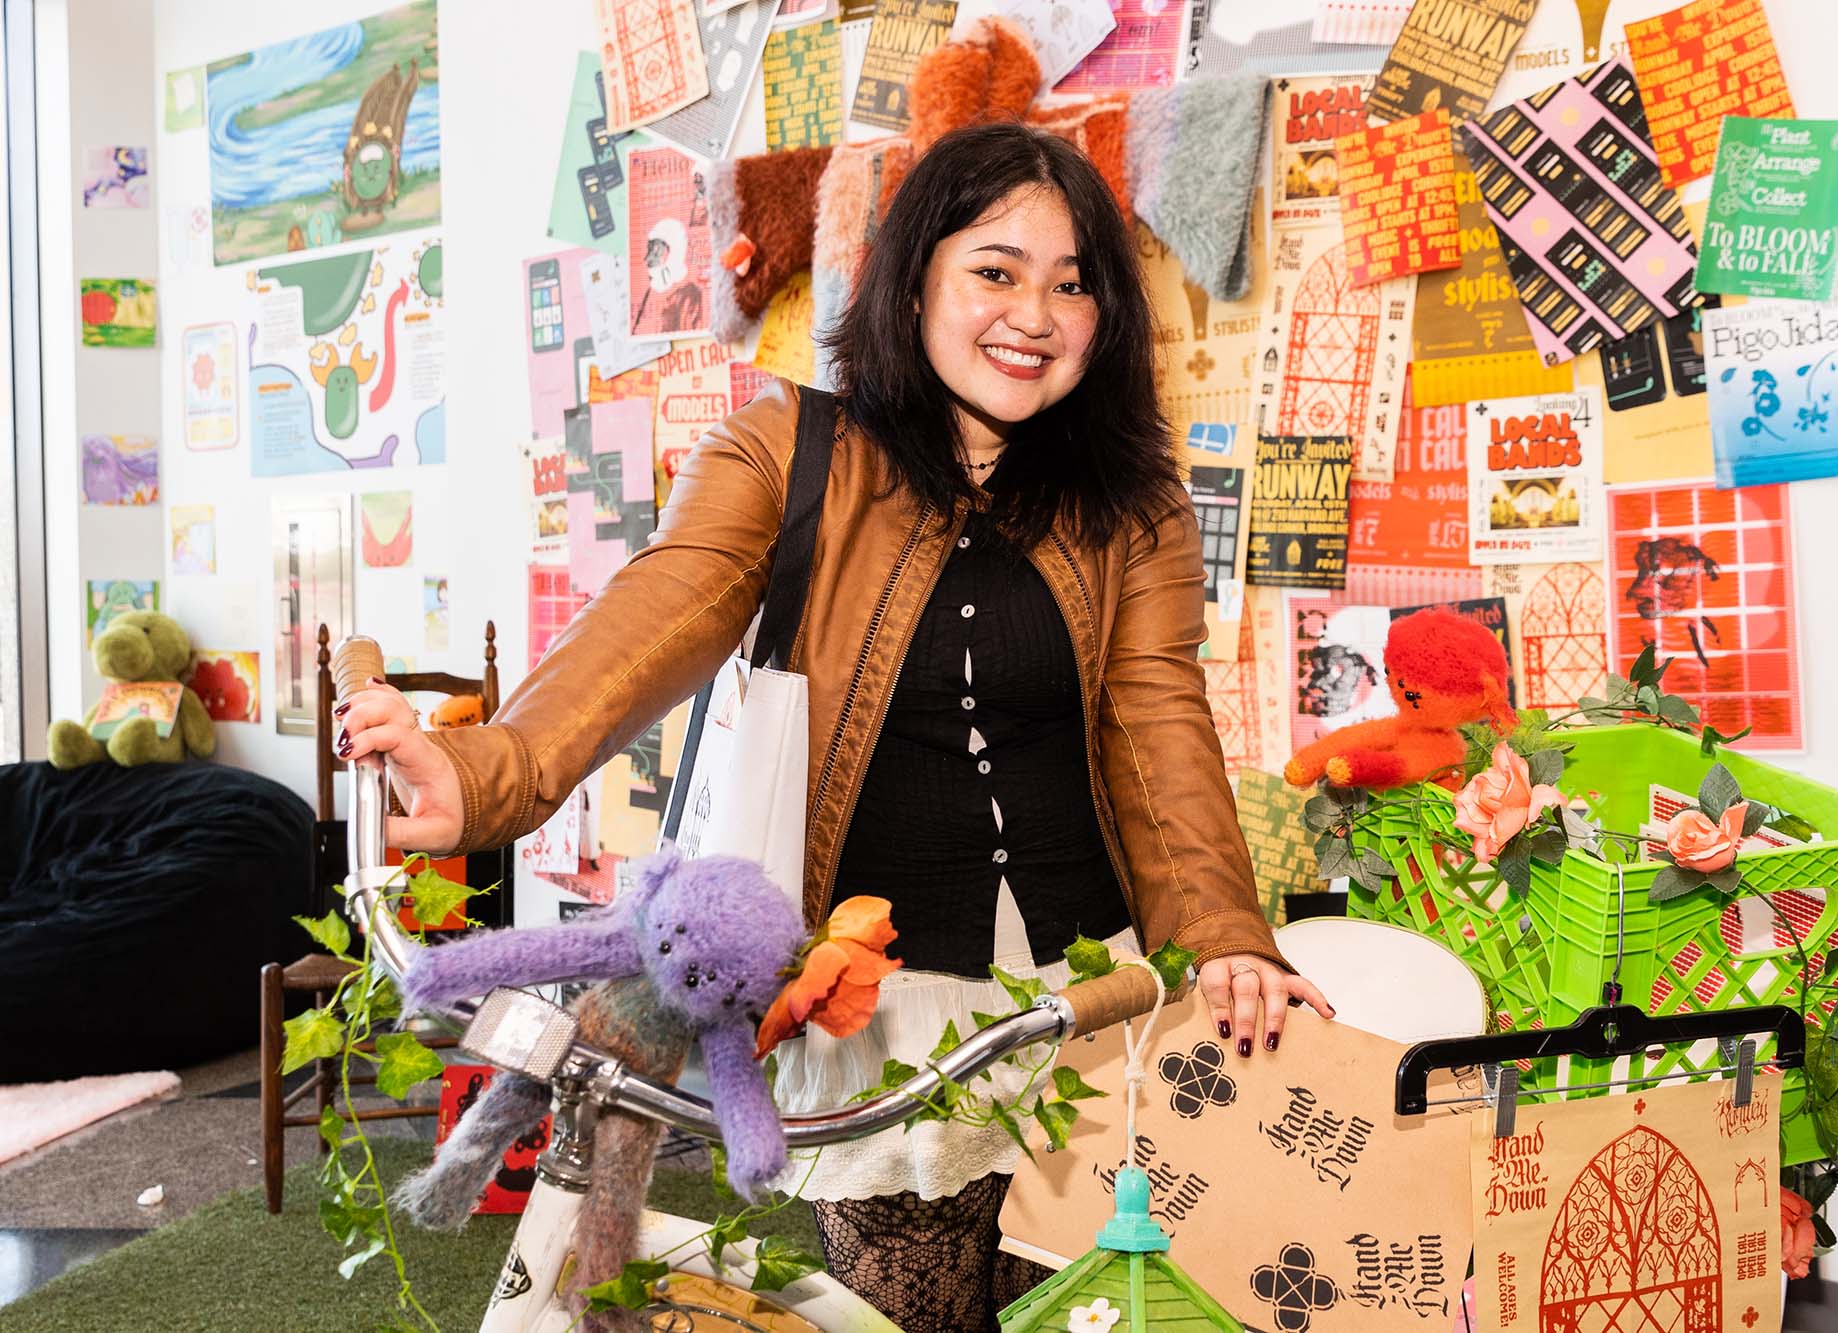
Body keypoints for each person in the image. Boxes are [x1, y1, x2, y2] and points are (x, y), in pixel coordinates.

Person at [336, 122, 1333, 1332]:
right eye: (996, 270)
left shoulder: (1133, 500)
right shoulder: (786, 447)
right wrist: (484, 769)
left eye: (1073, 283)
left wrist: (1224, 932)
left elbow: (1158, 716)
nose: (1035, 312)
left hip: (1081, 990)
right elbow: (651, 621)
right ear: (915, 277)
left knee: (1072, 1301)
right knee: (905, 1312)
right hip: (880, 998)